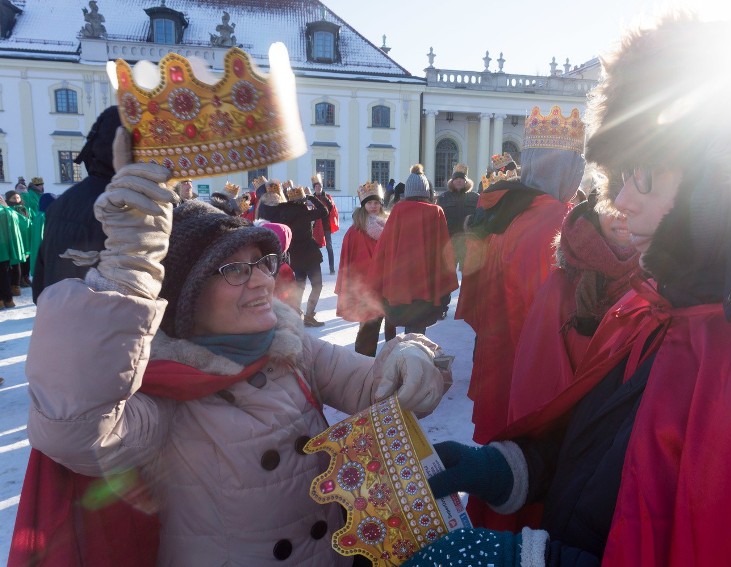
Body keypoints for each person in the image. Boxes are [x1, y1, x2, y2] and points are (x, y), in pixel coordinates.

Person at [404, 11, 731, 566]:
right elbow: (602, 457)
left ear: (725, 182)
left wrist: (533, 560)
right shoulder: (656, 311)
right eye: (618, 178)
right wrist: (508, 468)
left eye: (644, 174)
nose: (623, 202)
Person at [10, 128, 452, 567]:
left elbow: (371, 383)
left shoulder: (288, 346)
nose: (262, 279)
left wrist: (410, 355)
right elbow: (75, 432)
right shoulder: (165, 393)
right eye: (234, 270)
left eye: (262, 261)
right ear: (186, 297)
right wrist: (122, 286)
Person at [458, 106, 585, 448]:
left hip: (501, 364)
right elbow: (553, 318)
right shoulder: (560, 220)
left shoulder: (511, 211)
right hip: (538, 377)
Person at [504, 182, 638, 432]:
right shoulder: (561, 286)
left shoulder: (661, 285)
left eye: (635, 204)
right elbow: (536, 383)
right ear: (594, 212)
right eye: (612, 203)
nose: (623, 214)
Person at [32, 105, 121, 303]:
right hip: (104, 327)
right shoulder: (124, 205)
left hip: (57, 321)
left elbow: (40, 281)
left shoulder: (61, 202)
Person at [369, 164, 458, 335]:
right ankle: (413, 356)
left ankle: (400, 355)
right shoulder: (435, 211)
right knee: (418, 330)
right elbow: (443, 249)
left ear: (407, 192)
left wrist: (379, 277)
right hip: (425, 281)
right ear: (427, 191)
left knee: (403, 330)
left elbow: (384, 247)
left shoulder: (398, 211)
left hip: (399, 281)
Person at [335, 181, 396, 356]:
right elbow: (351, 262)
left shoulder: (390, 225)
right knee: (369, 328)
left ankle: (393, 363)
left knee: (392, 327)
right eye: (369, 202)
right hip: (367, 289)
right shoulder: (355, 231)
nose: (373, 206)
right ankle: (363, 364)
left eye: (376, 202)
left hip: (388, 284)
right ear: (363, 205)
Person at [258, 180, 329, 327]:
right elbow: (324, 211)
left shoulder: (281, 212)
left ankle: (296, 314)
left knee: (299, 285)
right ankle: (309, 314)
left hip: (293, 255)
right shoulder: (304, 212)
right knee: (317, 285)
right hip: (310, 254)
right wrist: (311, 197)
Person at [437, 163, 479, 270]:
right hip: (450, 242)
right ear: (452, 181)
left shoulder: (475, 197)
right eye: (456, 179)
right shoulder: (443, 197)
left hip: (468, 242)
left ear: (466, 182)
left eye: (461, 178)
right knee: (448, 275)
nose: (459, 180)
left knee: (468, 275)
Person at [310, 173, 340, 274]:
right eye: (316, 186)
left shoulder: (327, 196)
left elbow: (332, 208)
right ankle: (315, 268)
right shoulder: (312, 197)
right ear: (314, 188)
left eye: (319, 186)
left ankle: (331, 268)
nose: (318, 188)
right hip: (315, 227)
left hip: (325, 225)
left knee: (329, 247)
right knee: (315, 248)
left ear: (322, 187)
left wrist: (324, 197)